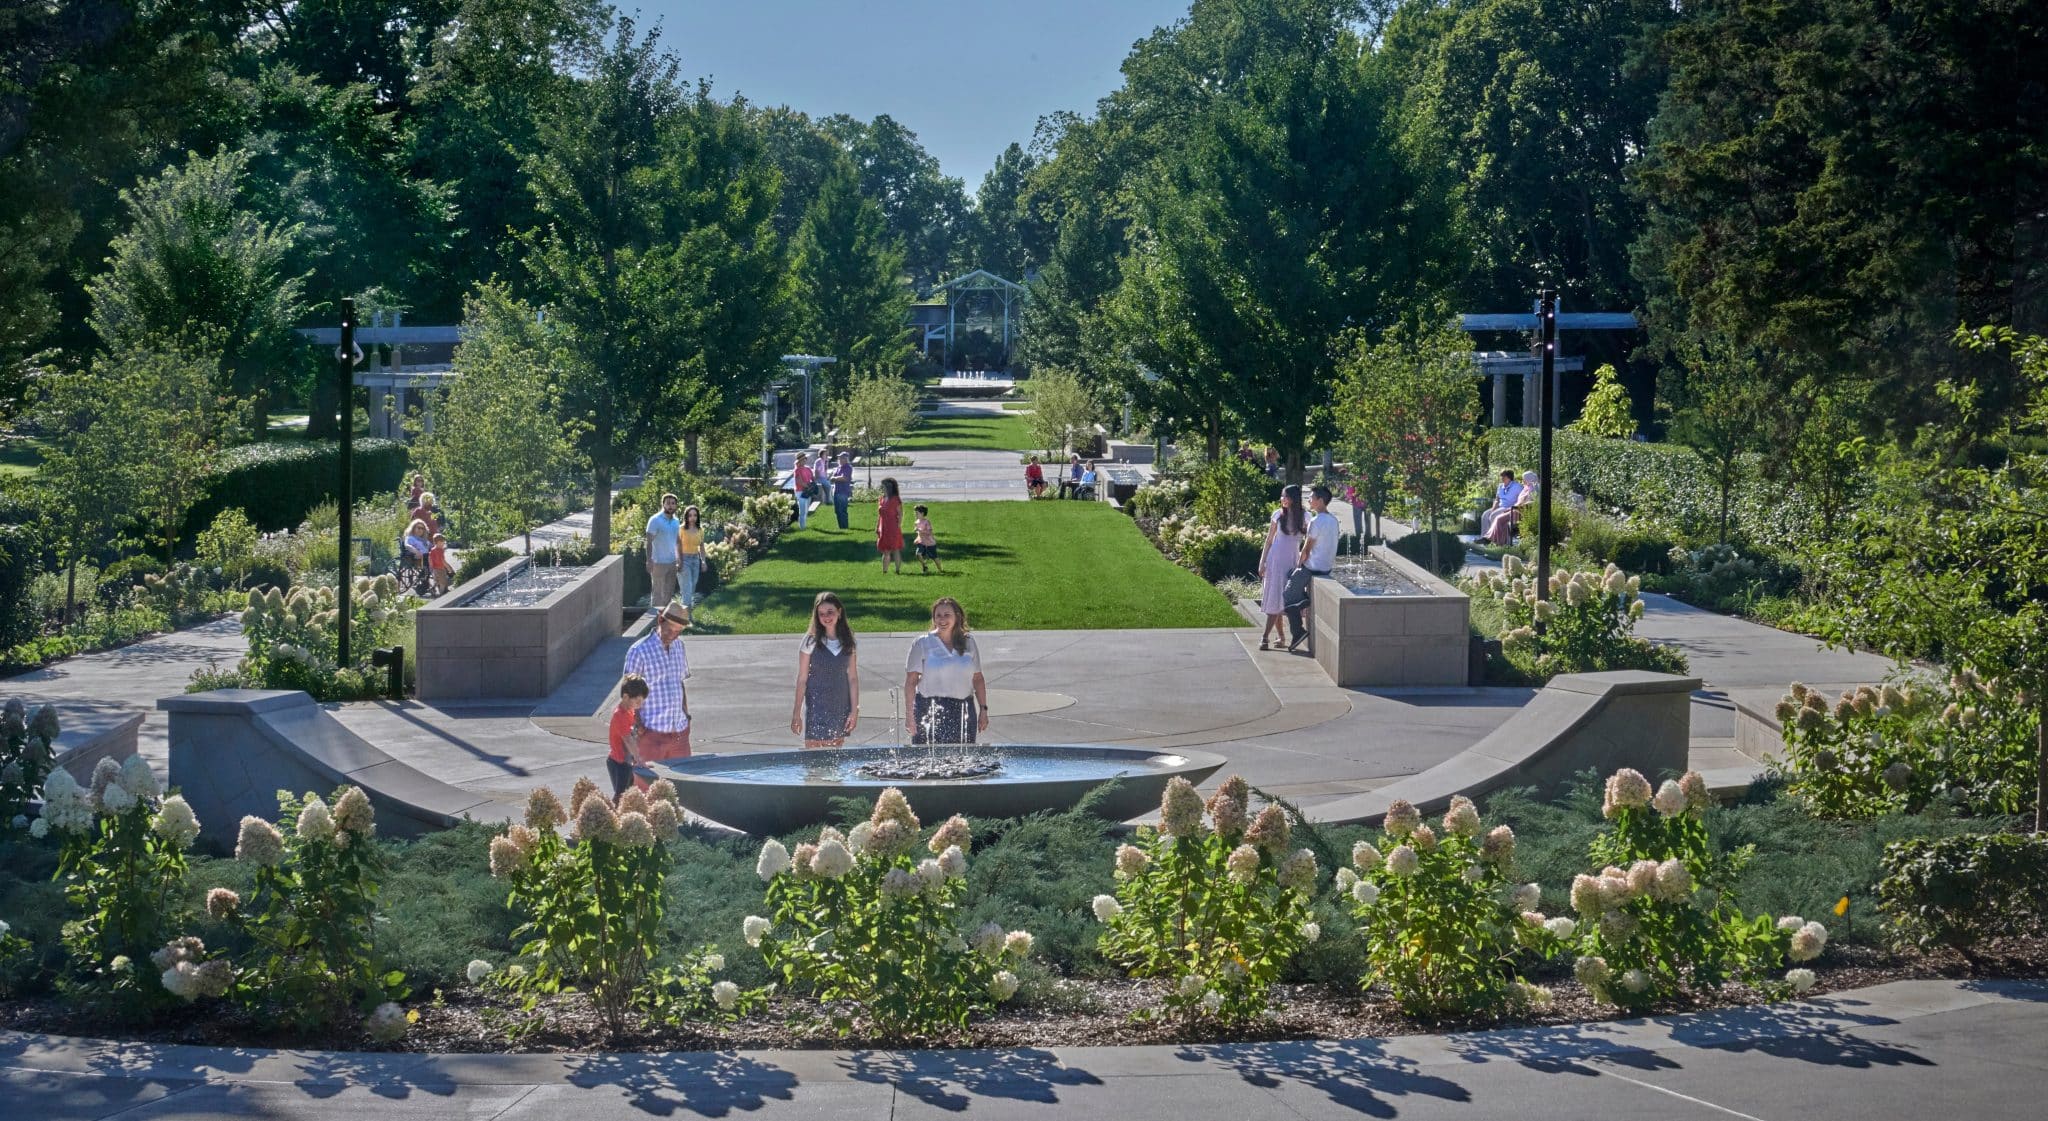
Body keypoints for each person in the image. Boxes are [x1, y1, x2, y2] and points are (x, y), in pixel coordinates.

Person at [904, 597, 988, 744]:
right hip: (929, 709)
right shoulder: (923, 643)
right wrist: (909, 716)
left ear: (957, 616)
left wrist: (983, 710)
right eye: (938, 616)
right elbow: (911, 682)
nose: (942, 620)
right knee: (926, 762)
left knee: (963, 762)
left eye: (947, 615)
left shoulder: (969, 642)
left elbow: (978, 678)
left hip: (964, 710)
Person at [623, 601, 692, 768]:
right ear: (660, 620)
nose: (673, 635)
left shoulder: (679, 646)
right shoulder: (639, 650)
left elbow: (679, 682)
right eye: (670, 630)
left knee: (682, 789)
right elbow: (628, 693)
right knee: (648, 788)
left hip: (679, 732)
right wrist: (639, 726)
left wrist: (686, 714)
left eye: (677, 632)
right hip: (651, 732)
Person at [790, 592, 859, 748]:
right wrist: (796, 714)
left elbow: (853, 678)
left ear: (839, 612)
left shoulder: (849, 642)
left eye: (830, 612)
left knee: (834, 764)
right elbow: (802, 679)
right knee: (814, 761)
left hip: (840, 706)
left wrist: (854, 711)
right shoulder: (810, 641)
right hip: (817, 707)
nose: (826, 617)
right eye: (821, 614)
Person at [1287, 484, 1342, 653]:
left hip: (1312, 568)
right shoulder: (1332, 520)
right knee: (1291, 576)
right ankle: (1303, 600)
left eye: (1311, 497)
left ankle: (1298, 632)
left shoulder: (1316, 521)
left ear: (1320, 500)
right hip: (1326, 568)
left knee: (1287, 594)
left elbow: (1307, 548)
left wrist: (1299, 563)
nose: (1309, 500)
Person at [1258, 485, 1305, 650]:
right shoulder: (1277, 515)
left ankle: (1271, 637)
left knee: (1280, 599)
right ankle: (1275, 637)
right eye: (1281, 496)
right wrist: (1262, 562)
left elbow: (1311, 540)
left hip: (1291, 561)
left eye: (1285, 496)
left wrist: (1305, 560)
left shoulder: (1305, 516)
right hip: (1274, 561)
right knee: (1274, 598)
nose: (1282, 499)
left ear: (1293, 498)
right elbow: (1269, 540)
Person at [606, 673, 649, 796]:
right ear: (626, 697)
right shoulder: (619, 715)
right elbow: (628, 740)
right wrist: (640, 760)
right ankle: (612, 813)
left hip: (627, 762)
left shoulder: (629, 711)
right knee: (621, 795)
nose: (640, 705)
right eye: (638, 701)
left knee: (629, 794)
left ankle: (625, 813)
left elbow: (633, 734)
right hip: (618, 763)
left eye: (642, 701)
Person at [644, 493, 681, 609]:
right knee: (657, 594)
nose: (670, 506)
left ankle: (665, 622)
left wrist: (679, 560)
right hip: (658, 562)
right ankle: (655, 624)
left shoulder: (676, 521)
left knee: (668, 594)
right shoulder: (655, 520)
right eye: (668, 503)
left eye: (673, 503)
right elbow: (649, 542)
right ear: (663, 504)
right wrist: (649, 560)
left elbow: (677, 542)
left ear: (676, 506)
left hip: (672, 562)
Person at [1486, 471, 1540, 546]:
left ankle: (1492, 539)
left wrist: (1514, 507)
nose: (1523, 480)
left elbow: (1532, 502)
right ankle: (1499, 541)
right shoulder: (1526, 488)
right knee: (1499, 518)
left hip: (1522, 512)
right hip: (1516, 509)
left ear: (1529, 479)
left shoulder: (1533, 489)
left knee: (1499, 519)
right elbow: (1519, 501)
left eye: (1524, 479)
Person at [1479, 470, 1524, 541]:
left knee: (1494, 515)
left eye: (1503, 476)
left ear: (1509, 477)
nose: (1502, 478)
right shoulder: (1500, 486)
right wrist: (1493, 509)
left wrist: (1517, 506)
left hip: (1509, 507)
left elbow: (1522, 497)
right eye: (1501, 476)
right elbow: (1497, 500)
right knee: (1485, 515)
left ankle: (1495, 539)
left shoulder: (1517, 486)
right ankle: (1484, 537)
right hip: (1500, 506)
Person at [876, 477, 905, 573]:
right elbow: (879, 515)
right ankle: (885, 571)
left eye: (883, 486)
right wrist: (877, 527)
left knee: (895, 549)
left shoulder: (896, 499)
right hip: (883, 527)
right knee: (885, 550)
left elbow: (900, 513)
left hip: (893, 526)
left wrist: (899, 525)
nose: (881, 488)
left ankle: (897, 570)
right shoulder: (881, 498)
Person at [678, 506, 704, 607]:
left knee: (692, 586)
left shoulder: (700, 530)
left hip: (695, 560)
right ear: (686, 517)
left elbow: (701, 546)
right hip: (684, 560)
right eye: (690, 515)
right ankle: (687, 616)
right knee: (687, 587)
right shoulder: (681, 529)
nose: (692, 518)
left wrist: (703, 561)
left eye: (695, 515)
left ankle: (682, 610)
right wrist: (679, 561)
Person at [913, 504, 943, 574]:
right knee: (918, 554)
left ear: (922, 513)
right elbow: (919, 534)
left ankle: (940, 570)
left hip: (930, 543)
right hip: (921, 542)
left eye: (917, 513)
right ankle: (925, 567)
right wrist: (917, 539)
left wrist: (920, 530)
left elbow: (929, 532)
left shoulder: (927, 522)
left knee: (934, 557)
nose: (915, 514)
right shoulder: (916, 522)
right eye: (915, 513)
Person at [831, 452, 854, 529]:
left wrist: (834, 478)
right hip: (836, 491)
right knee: (837, 511)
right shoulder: (838, 468)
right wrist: (835, 478)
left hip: (843, 492)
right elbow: (833, 478)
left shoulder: (848, 467)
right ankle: (841, 527)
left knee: (842, 511)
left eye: (841, 458)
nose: (839, 459)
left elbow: (844, 478)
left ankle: (845, 527)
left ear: (846, 459)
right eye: (839, 458)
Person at [791, 452, 814, 529]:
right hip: (800, 492)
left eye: (805, 459)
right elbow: (799, 482)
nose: (805, 460)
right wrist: (809, 486)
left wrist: (813, 485)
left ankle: (803, 524)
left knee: (806, 509)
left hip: (808, 491)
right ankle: (802, 527)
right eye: (804, 459)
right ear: (800, 460)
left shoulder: (808, 468)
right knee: (802, 510)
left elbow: (812, 478)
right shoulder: (797, 470)